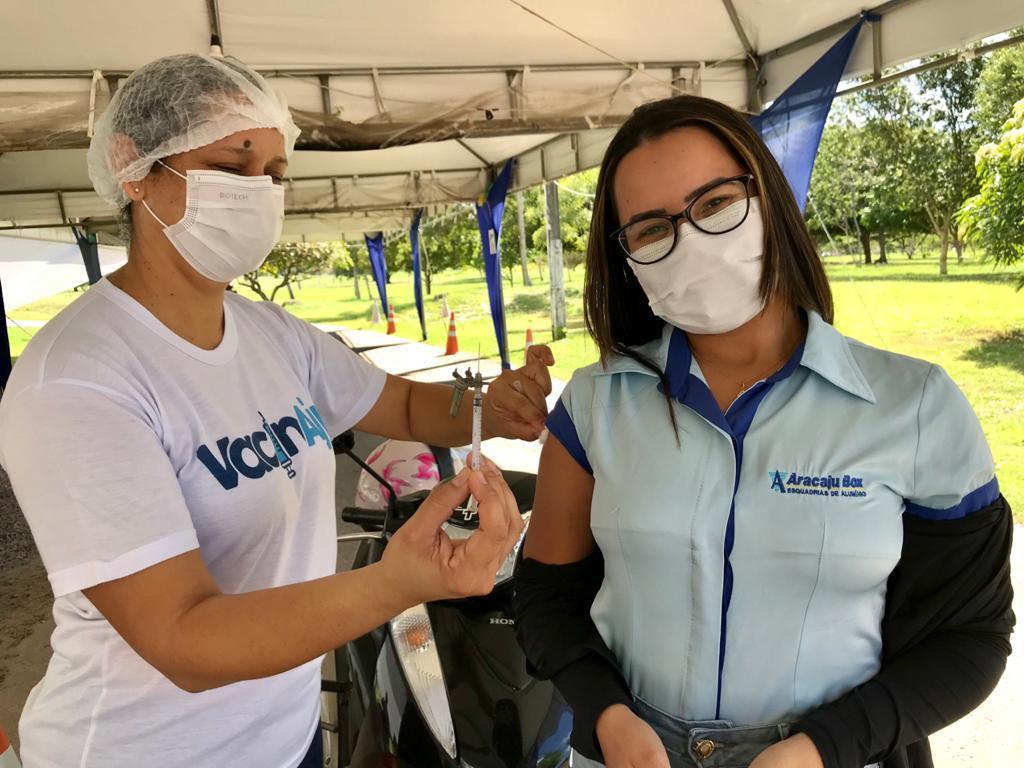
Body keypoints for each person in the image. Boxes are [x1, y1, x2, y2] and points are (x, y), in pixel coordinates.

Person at [0, 53, 554, 768]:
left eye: (274, 174)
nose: (259, 193)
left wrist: (489, 404)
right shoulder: (78, 379)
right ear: (133, 168)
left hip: (285, 737)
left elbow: (406, 405)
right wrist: (397, 583)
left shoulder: (270, 334)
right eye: (232, 166)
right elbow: (182, 640)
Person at [513, 95, 1014, 768]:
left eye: (715, 202)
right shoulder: (594, 406)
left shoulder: (916, 407)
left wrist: (820, 748)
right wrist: (607, 715)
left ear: (767, 197)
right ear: (626, 256)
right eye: (651, 228)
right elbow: (546, 594)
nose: (690, 239)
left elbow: (971, 637)